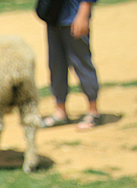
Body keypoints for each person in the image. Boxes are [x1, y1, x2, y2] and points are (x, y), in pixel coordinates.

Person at [41, 0, 101, 130]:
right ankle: (60, 111)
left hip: (74, 17)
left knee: (81, 63)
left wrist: (83, 14)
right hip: (54, 17)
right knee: (56, 65)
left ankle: (93, 111)